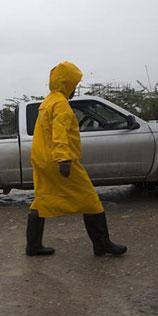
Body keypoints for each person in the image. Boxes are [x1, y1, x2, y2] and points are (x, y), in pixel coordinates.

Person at [25, 61, 127, 257]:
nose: (75, 89)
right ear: (67, 84)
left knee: (42, 200)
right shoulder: (61, 105)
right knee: (90, 199)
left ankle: (33, 246)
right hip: (59, 161)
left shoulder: (48, 102)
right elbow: (59, 133)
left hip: (43, 160)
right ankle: (102, 244)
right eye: (74, 85)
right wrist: (64, 159)